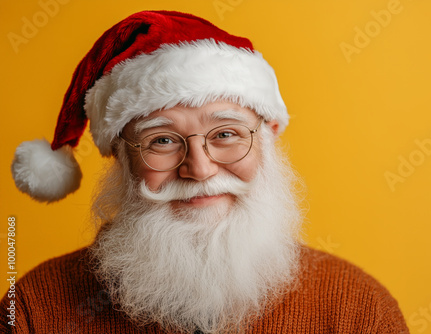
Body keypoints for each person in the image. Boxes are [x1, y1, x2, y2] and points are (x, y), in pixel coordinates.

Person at [2, 10, 409, 334]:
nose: (199, 168)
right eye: (161, 140)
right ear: (121, 159)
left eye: (226, 133)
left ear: (268, 139)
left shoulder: (358, 309)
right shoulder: (32, 312)